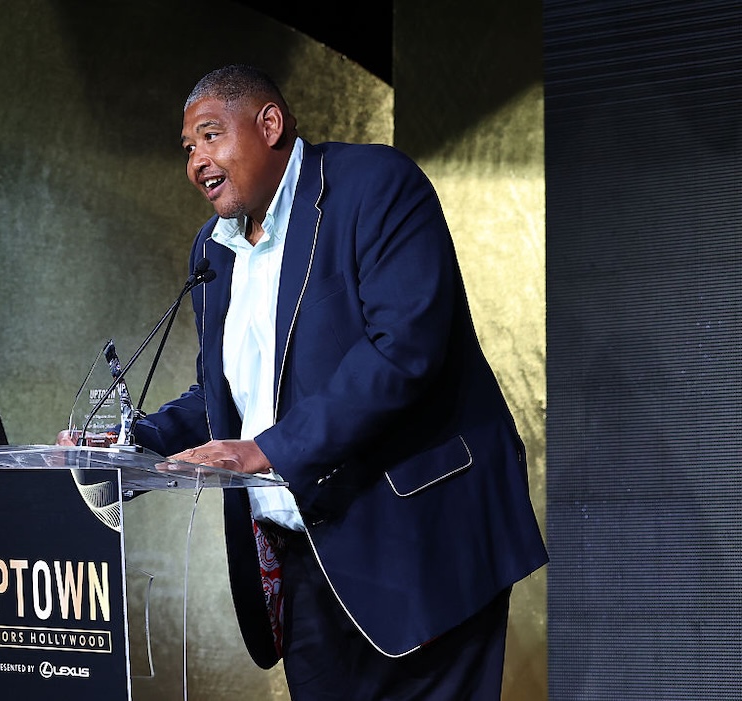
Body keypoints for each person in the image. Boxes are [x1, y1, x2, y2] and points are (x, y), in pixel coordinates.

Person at [61, 63, 548, 700]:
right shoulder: (214, 249)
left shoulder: (375, 187)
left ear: (269, 124)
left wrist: (268, 450)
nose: (196, 161)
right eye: (188, 148)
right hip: (303, 557)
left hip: (418, 540)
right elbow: (227, 396)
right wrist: (132, 445)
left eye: (210, 136)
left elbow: (404, 351)